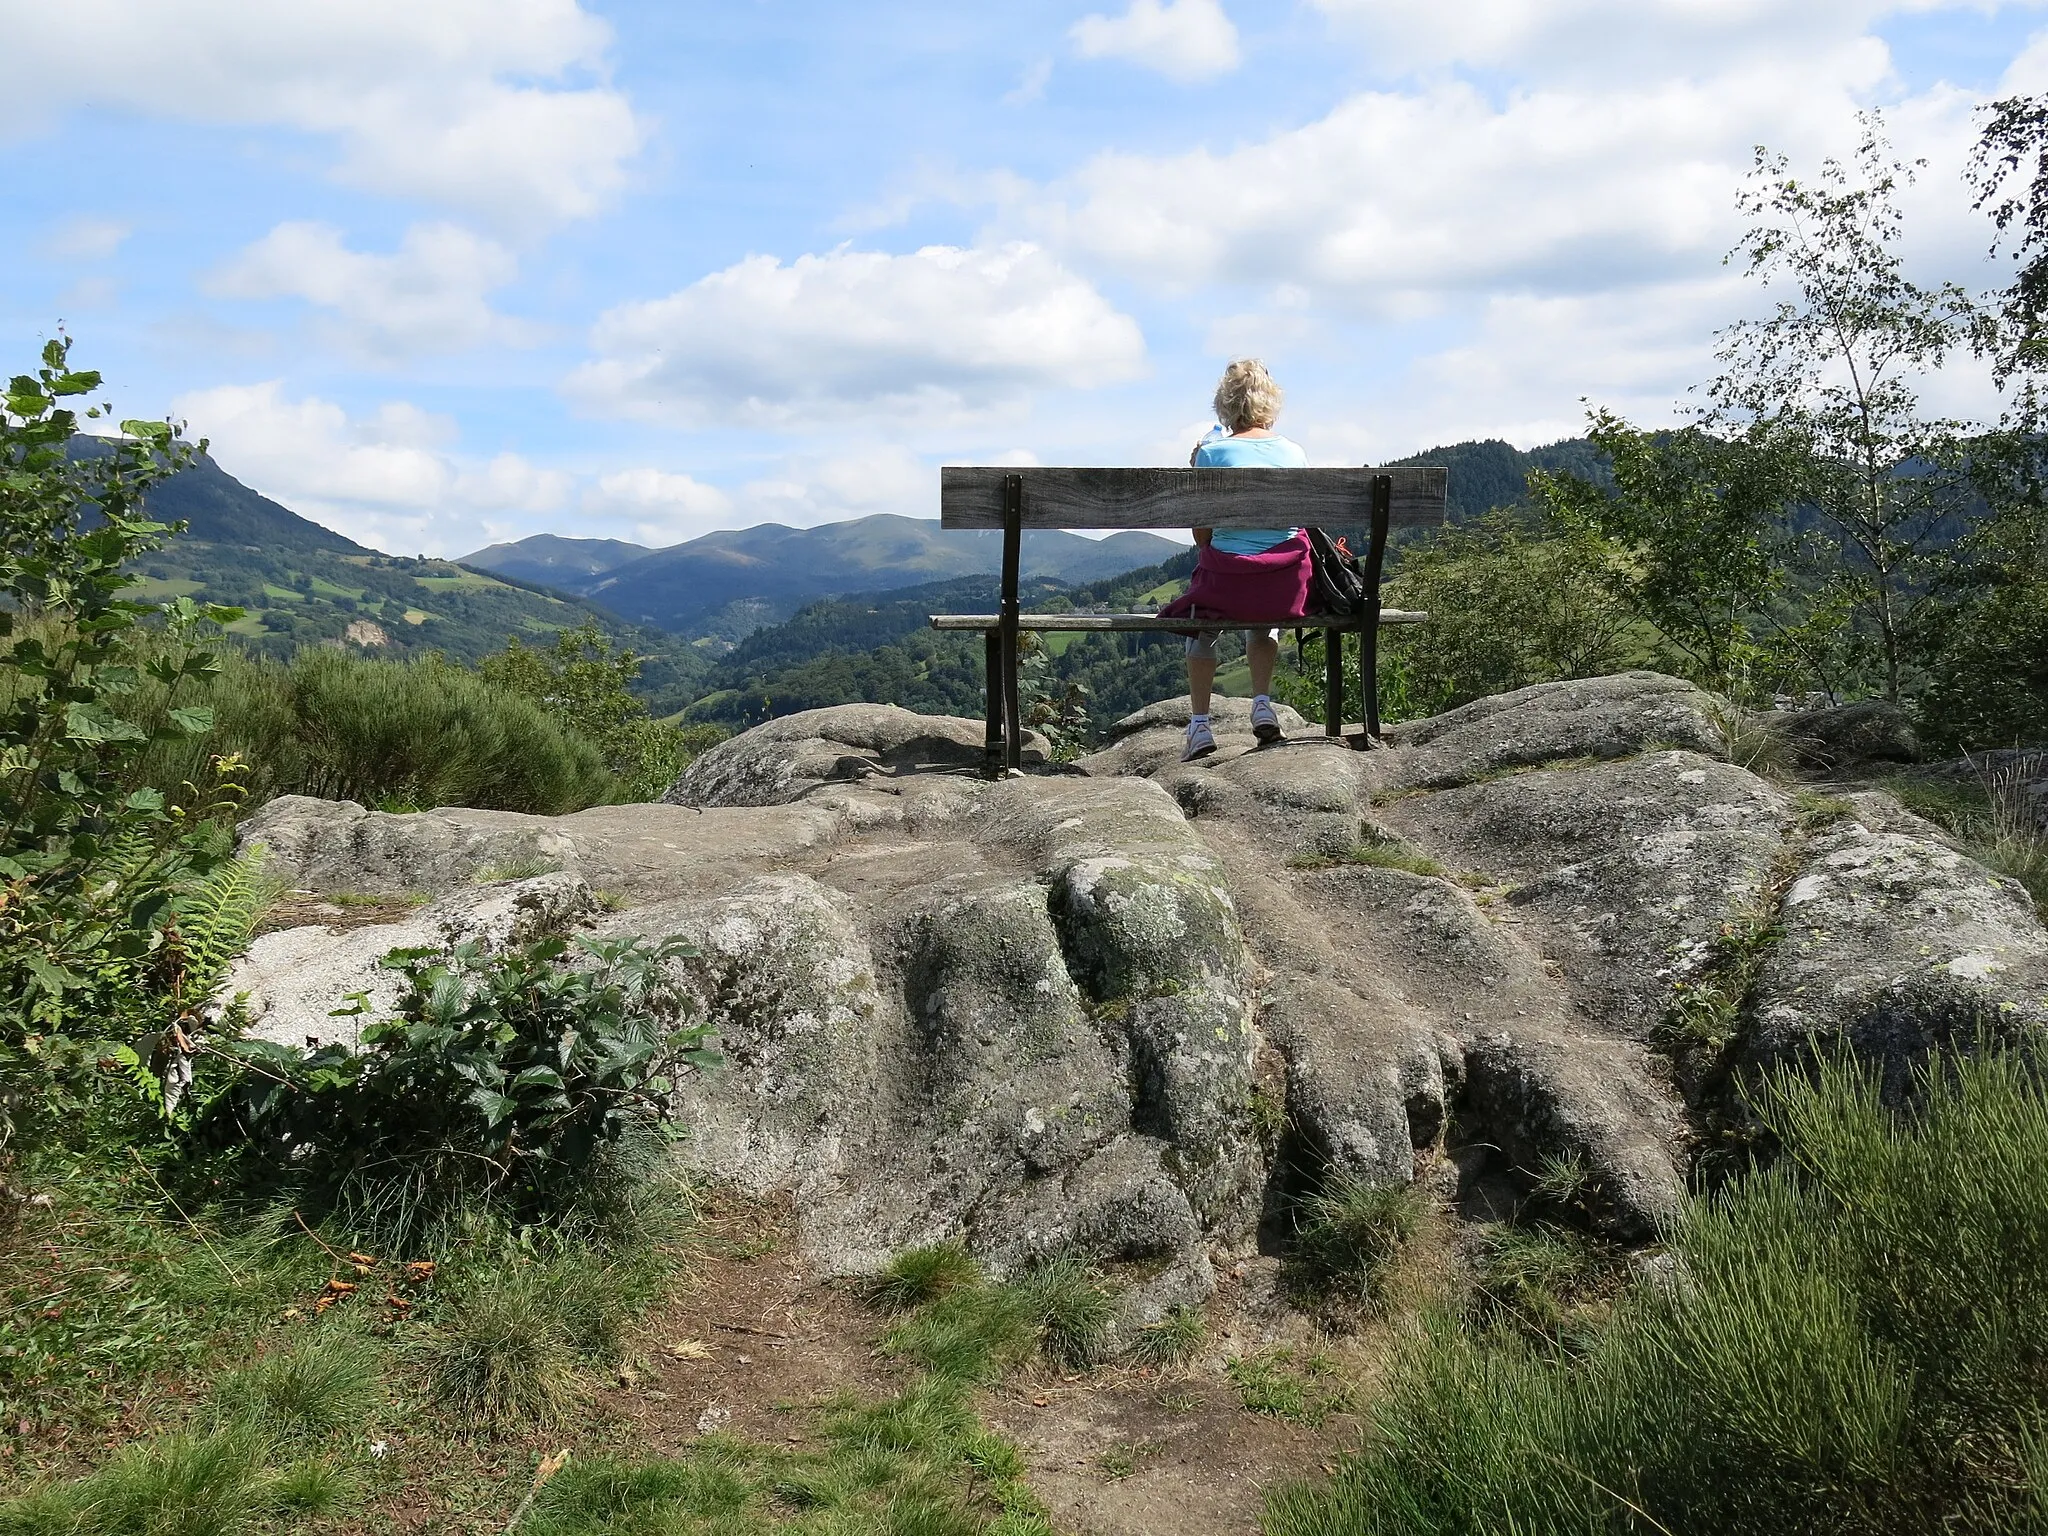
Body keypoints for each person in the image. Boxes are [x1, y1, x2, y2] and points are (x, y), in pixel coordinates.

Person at [1158, 358, 1313, 762]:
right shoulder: (1295, 453)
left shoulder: (1212, 452)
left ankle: (1200, 727)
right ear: (1271, 402)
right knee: (1263, 623)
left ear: (1224, 405)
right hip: (1283, 586)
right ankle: (1262, 703)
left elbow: (1202, 535)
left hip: (1228, 585)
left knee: (1204, 628)